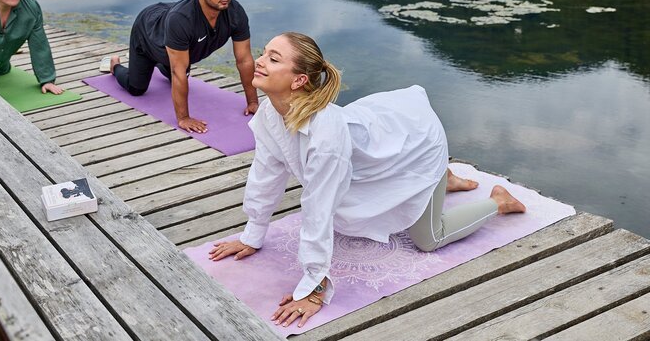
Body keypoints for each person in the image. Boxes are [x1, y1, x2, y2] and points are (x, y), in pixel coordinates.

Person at [208, 32, 526, 328]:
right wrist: (252, 234)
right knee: (351, 201)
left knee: (429, 239)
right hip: (389, 133)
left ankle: (497, 201)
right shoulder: (269, 113)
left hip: (420, 143)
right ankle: (445, 179)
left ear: (299, 80)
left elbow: (318, 206)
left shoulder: (326, 134)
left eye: (273, 58)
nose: (260, 61)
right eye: (264, 53)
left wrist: (314, 285)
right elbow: (266, 174)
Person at [110, 0, 258, 132]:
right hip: (147, 32)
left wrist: (253, 102)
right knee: (137, 88)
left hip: (174, 40)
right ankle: (115, 66)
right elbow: (178, 72)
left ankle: (163, 62)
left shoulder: (235, 13)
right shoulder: (181, 20)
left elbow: (244, 60)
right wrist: (183, 118)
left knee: (179, 72)